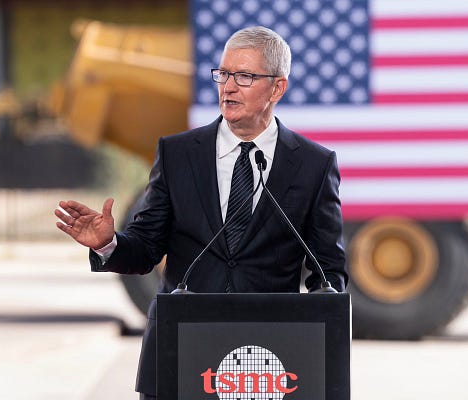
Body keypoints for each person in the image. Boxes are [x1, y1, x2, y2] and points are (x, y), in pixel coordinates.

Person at [55, 26, 348, 399]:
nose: (228, 87)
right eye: (223, 74)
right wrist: (109, 243)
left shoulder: (313, 164)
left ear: (277, 88)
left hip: (271, 360)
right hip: (182, 350)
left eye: (244, 76)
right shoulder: (178, 154)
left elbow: (329, 268)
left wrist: (320, 316)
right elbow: (146, 249)